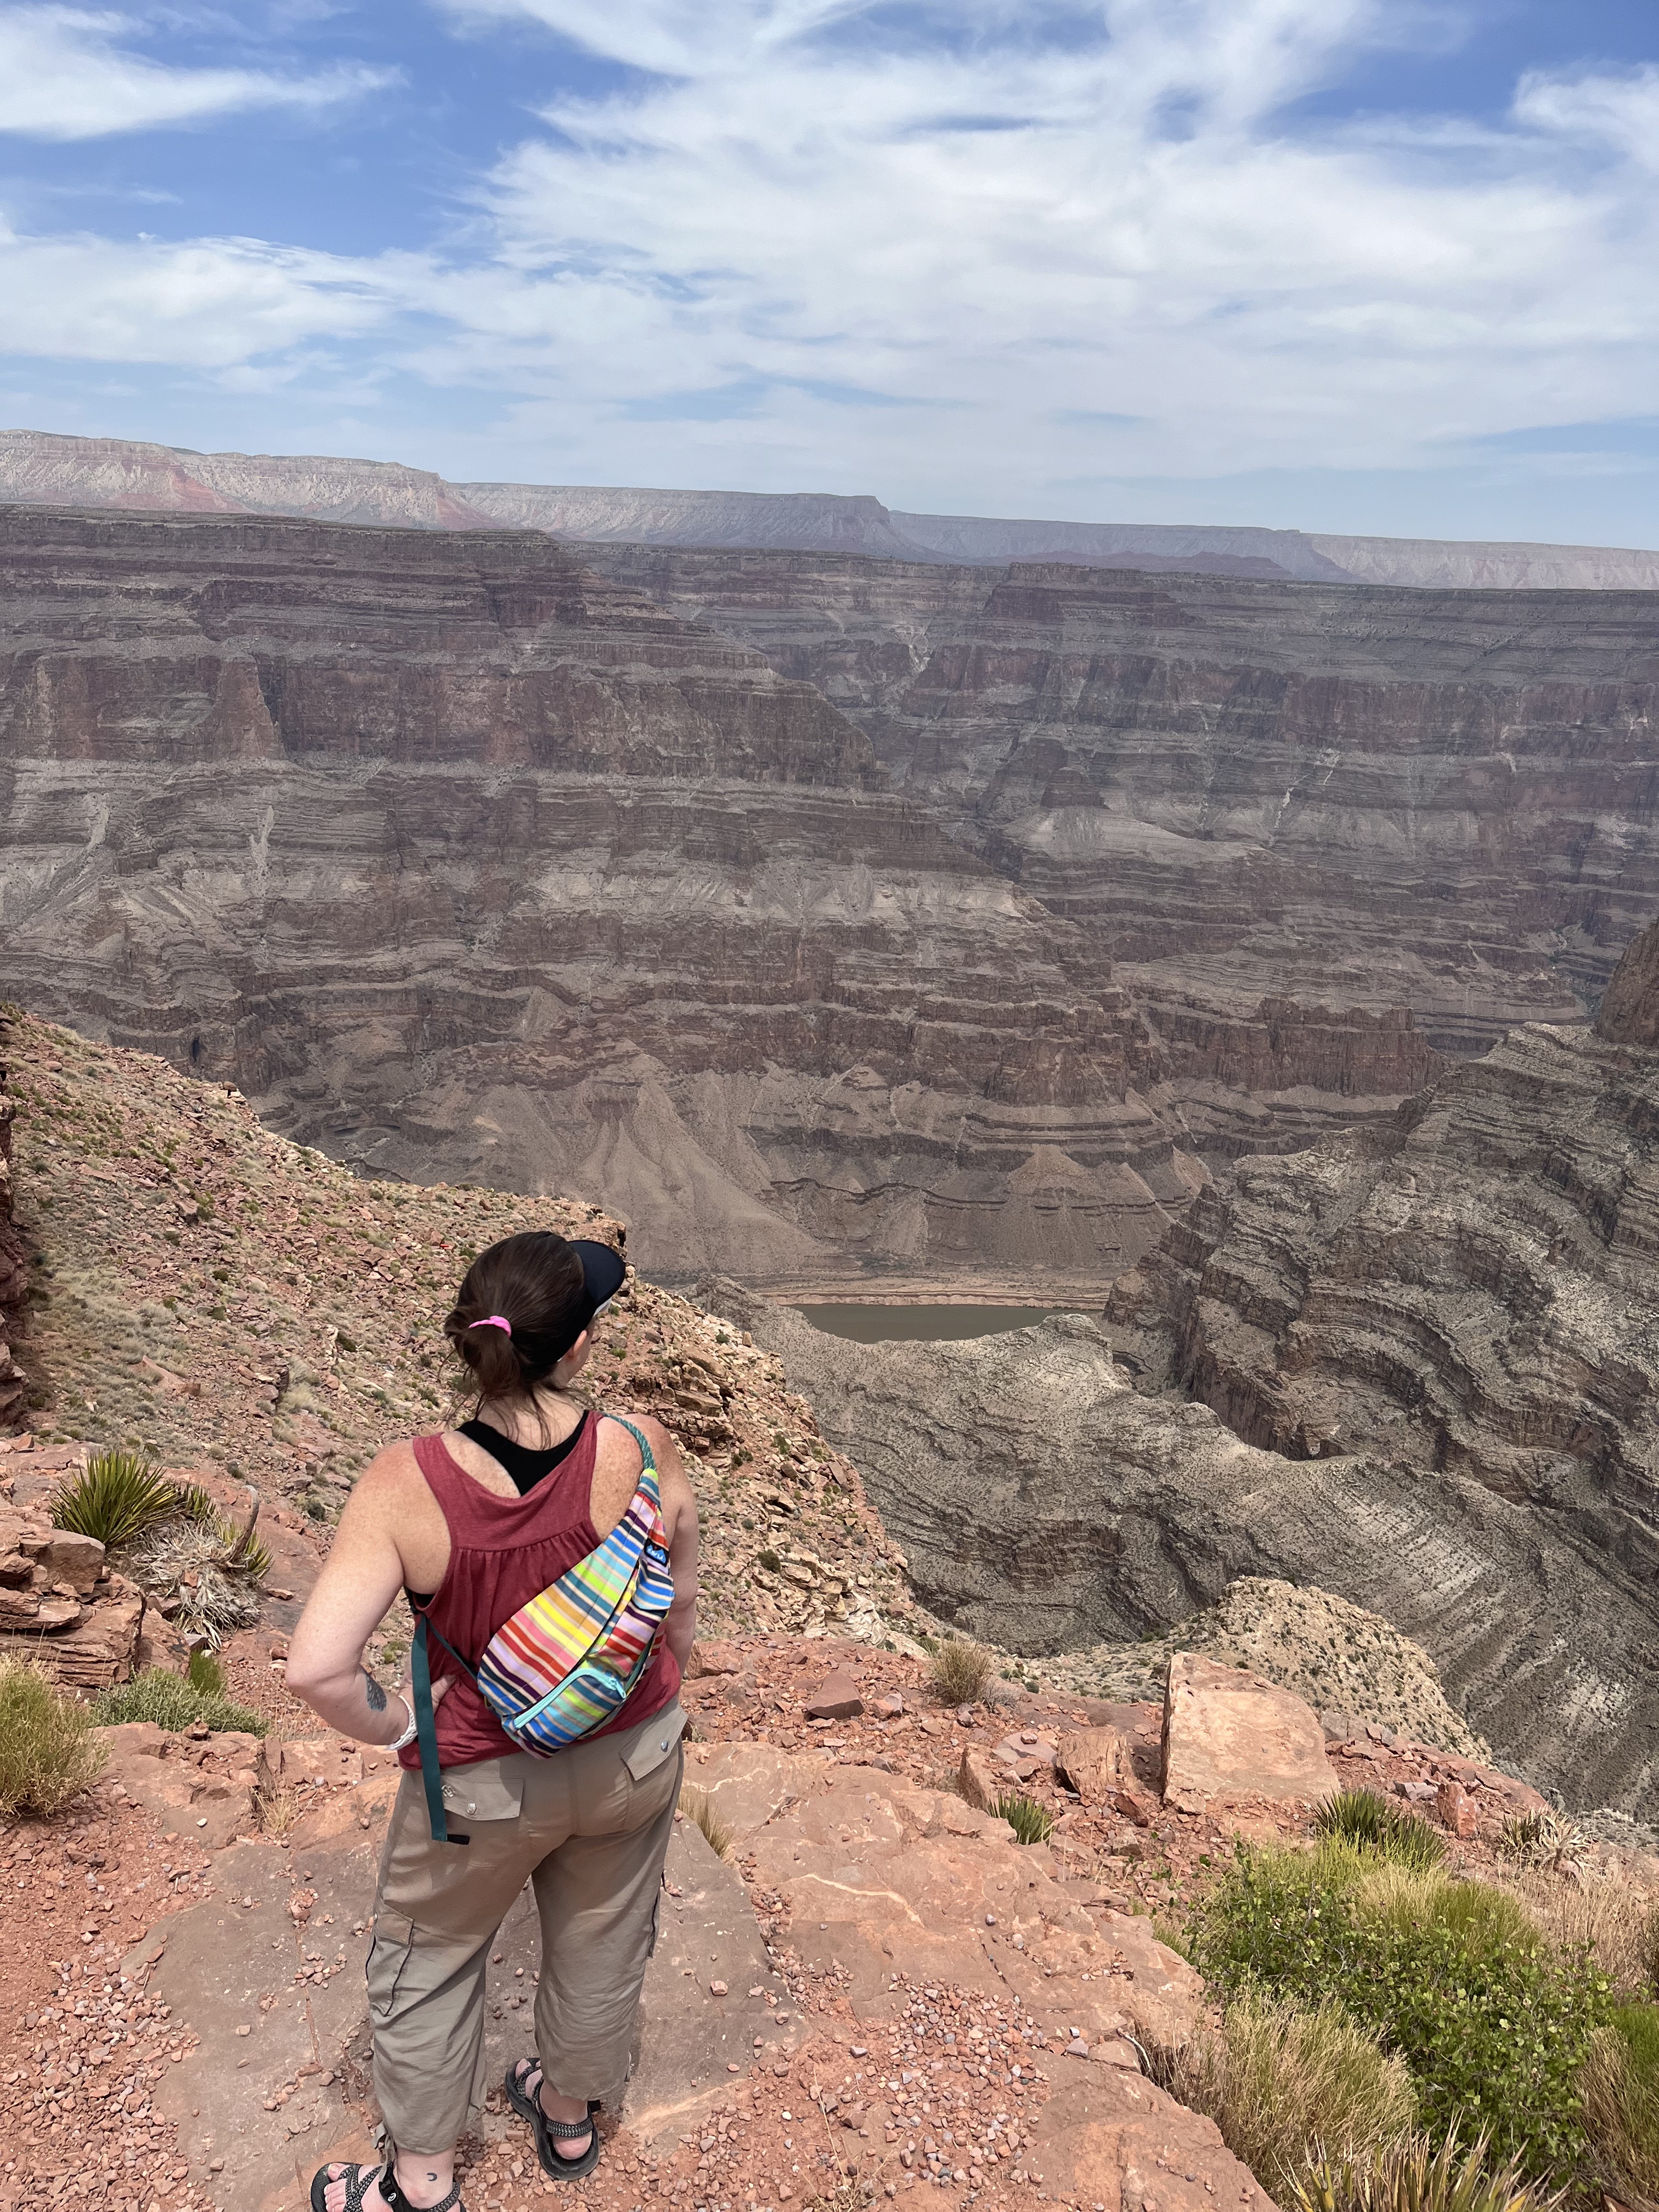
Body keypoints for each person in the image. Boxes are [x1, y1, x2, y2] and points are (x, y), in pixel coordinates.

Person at [285, 1230, 699, 2212]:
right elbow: (677, 1593)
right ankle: (566, 2115)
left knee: (430, 1960)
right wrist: (663, 1684)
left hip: (478, 1783)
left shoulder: (405, 1482)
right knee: (604, 1933)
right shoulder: (639, 1446)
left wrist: (401, 1732)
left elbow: (316, 1669)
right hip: (631, 1759)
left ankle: (421, 2186)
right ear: (581, 1345)